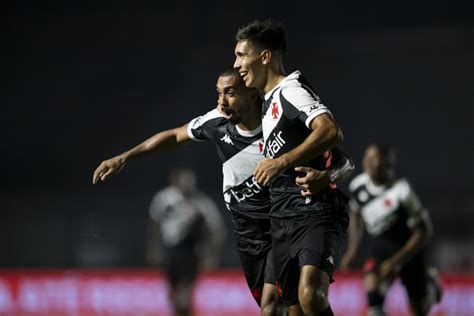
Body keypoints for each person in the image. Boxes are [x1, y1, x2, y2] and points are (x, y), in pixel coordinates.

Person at [92, 68, 353, 316]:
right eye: (218, 93)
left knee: (275, 306)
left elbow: (343, 161)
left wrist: (326, 176)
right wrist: (125, 157)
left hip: (282, 223)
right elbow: (174, 136)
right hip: (247, 233)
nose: (221, 101)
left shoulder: (279, 122)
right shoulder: (216, 123)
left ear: (251, 93)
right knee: (276, 304)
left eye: (229, 92)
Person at [233, 19, 350, 316]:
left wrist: (282, 162)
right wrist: (328, 174)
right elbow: (342, 160)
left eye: (241, 55)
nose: (237, 64)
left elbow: (330, 132)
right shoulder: (266, 102)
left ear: (265, 56)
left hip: (313, 210)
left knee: (310, 295)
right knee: (291, 309)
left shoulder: (291, 90)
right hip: (281, 217)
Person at [340, 144, 442, 316]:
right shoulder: (358, 186)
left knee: (418, 310)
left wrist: (395, 262)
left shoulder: (402, 192)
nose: (369, 163)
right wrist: (352, 249)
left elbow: (424, 231)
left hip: (409, 250)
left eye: (375, 159)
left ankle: (430, 285)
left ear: (387, 164)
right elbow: (355, 213)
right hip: (381, 246)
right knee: (373, 296)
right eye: (367, 158)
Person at [146, 168, 224, 316]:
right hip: (170, 249)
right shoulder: (164, 199)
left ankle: (186, 309)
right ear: (174, 181)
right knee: (173, 291)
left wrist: (212, 254)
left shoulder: (201, 203)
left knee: (186, 291)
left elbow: (216, 229)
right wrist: (154, 248)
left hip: (191, 249)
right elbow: (154, 224)